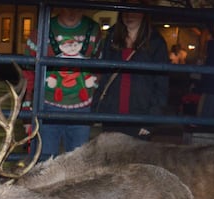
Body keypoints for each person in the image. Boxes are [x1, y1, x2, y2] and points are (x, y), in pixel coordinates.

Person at [23, 8, 99, 157]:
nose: (72, 10)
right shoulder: (40, 30)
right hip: (48, 107)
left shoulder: (95, 30)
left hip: (82, 109)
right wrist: (27, 110)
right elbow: (28, 72)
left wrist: (94, 92)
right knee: (44, 164)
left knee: (77, 165)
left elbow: (100, 63)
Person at [96, 7, 169, 138]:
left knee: (135, 157)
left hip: (139, 114)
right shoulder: (111, 38)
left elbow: (161, 84)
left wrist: (151, 119)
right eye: (126, 10)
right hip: (112, 113)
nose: (129, 15)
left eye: (134, 10)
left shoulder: (156, 43)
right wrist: (98, 109)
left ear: (143, 13)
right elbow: (104, 76)